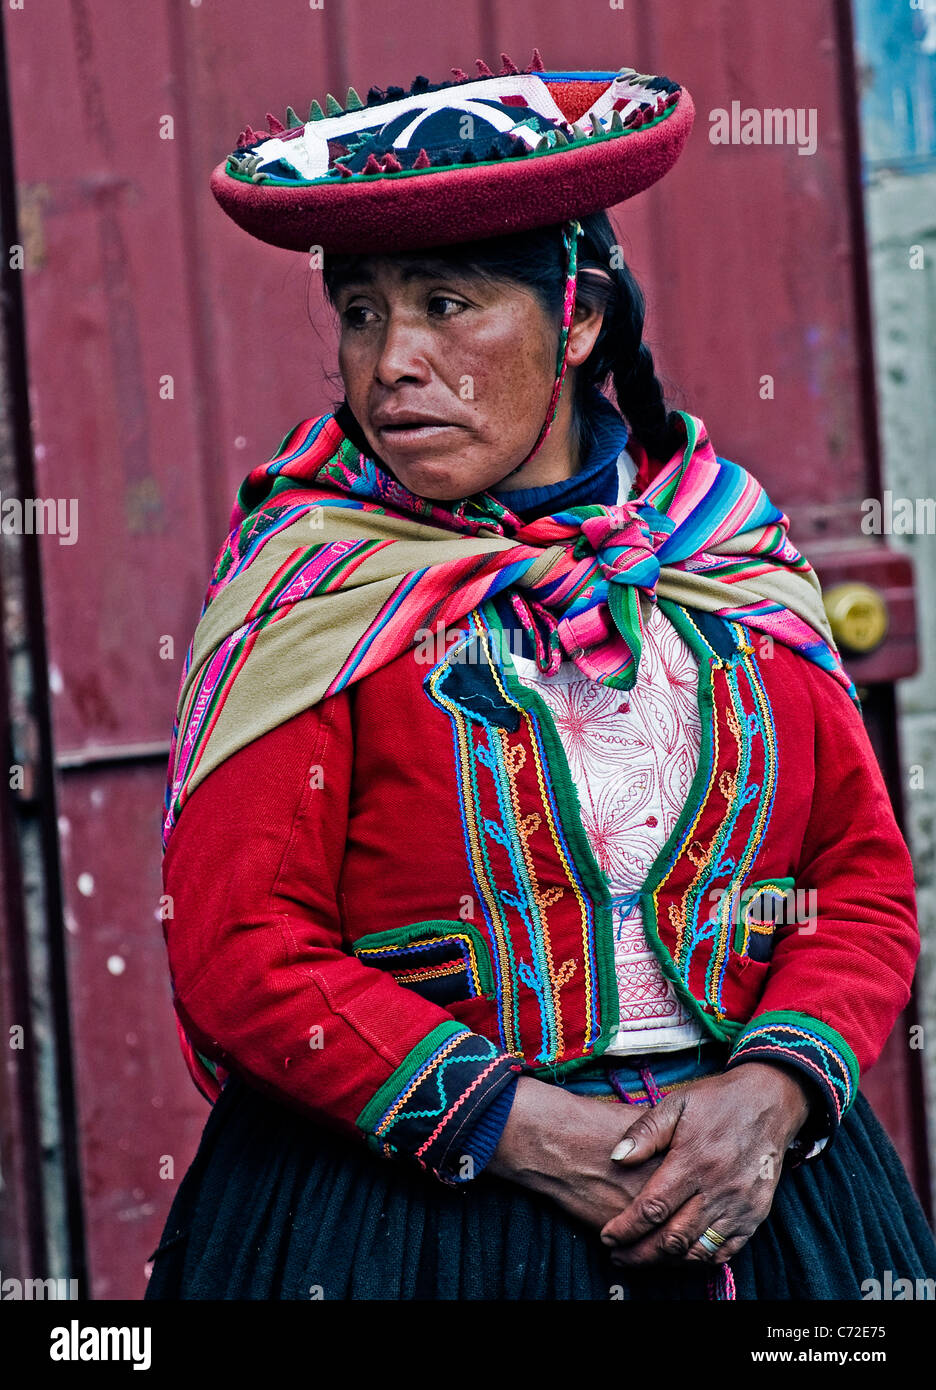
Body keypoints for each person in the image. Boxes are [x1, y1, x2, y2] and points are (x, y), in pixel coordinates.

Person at [145, 52, 936, 1301]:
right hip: (408, 1234)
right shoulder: (314, 589)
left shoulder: (722, 558)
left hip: (763, 1207)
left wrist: (775, 1094)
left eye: (448, 304)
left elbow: (858, 880)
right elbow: (242, 942)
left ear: (576, 316)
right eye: (360, 311)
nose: (391, 360)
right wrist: (532, 1135)